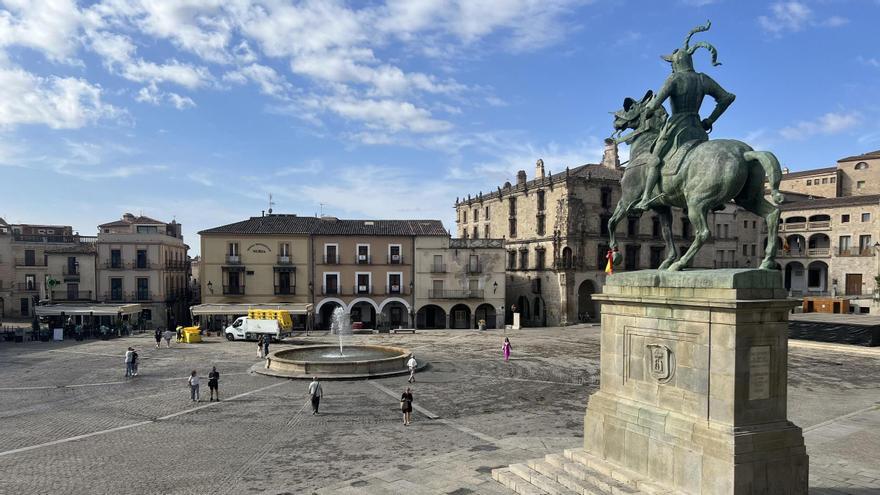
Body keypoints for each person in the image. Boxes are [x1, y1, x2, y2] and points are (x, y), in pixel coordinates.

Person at [635, 21, 735, 211]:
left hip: (676, 128)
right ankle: (716, 196)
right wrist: (711, 119)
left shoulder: (674, 78)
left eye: (671, 63)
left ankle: (646, 197)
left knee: (654, 158)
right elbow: (727, 98)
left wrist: (647, 110)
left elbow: (655, 105)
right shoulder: (703, 78)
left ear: (675, 63)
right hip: (697, 129)